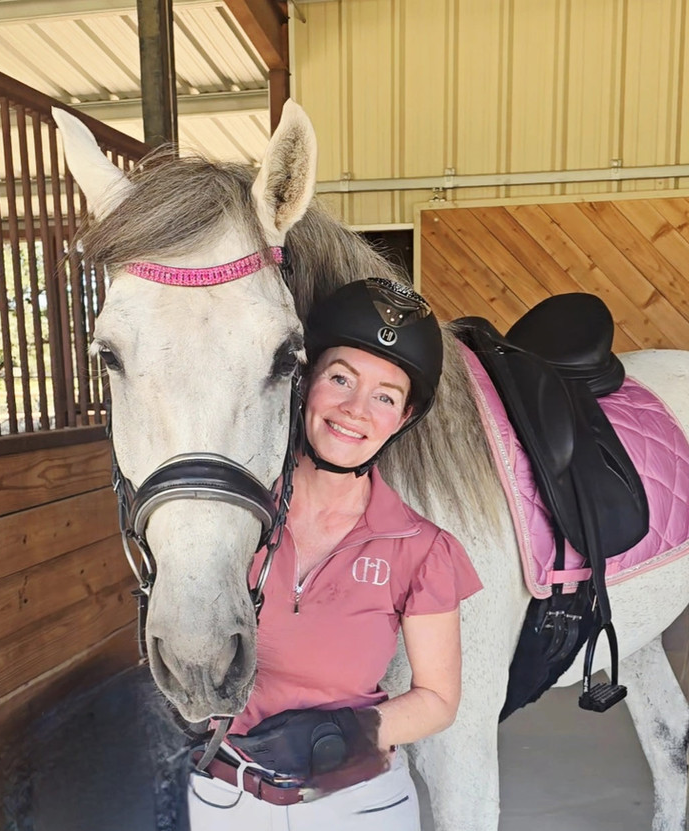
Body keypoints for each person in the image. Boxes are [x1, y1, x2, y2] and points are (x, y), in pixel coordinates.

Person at [187, 278, 482, 830]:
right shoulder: (231, 522)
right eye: (341, 378)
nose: (355, 409)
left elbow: (439, 699)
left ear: (404, 417)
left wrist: (345, 734)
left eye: (385, 396)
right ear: (306, 382)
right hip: (224, 798)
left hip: (360, 806)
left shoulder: (423, 549)